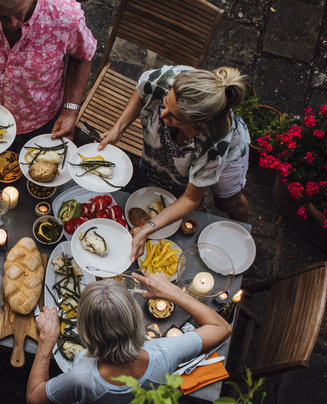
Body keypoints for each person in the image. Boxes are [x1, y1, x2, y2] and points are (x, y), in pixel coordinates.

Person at [27, 275, 231, 404]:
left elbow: (34, 398)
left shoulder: (82, 378)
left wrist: (47, 340)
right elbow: (221, 327)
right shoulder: (166, 352)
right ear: (135, 318)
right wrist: (173, 292)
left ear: (86, 333)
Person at [98, 65, 251, 260]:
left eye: (174, 116)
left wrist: (149, 228)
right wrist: (117, 130)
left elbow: (190, 198)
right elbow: (142, 91)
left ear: (200, 123)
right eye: (166, 103)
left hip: (229, 153)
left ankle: (244, 236)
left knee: (227, 202)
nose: (162, 115)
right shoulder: (164, 80)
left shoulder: (216, 143)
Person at [0, 0, 96, 145]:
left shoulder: (66, 15)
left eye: (19, 13)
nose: (13, 24)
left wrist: (70, 111)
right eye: (2, 16)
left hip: (42, 114)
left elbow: (82, 57)